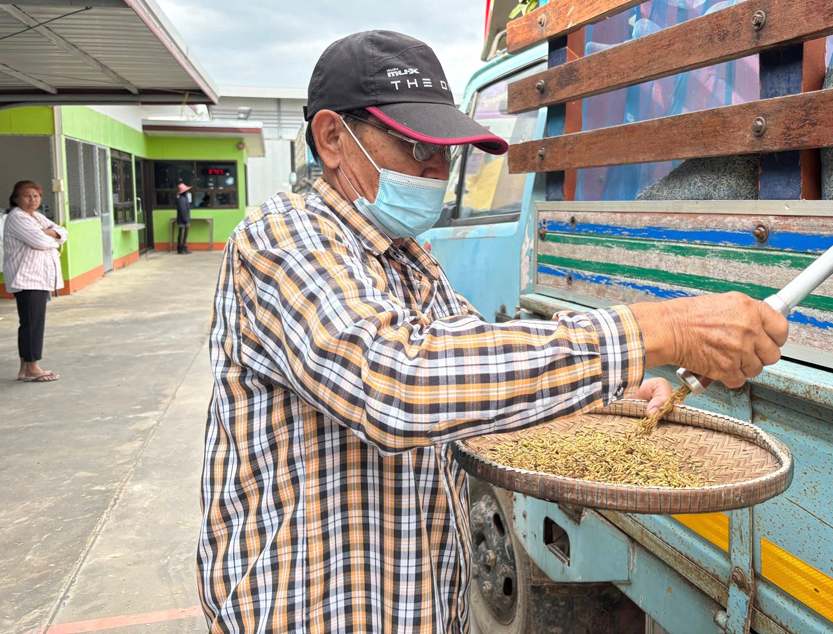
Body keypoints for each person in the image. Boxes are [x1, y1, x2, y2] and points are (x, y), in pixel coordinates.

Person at [197, 31, 788, 633]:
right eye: (412, 147)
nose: (434, 171)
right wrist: (657, 328)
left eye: (444, 153)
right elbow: (398, 381)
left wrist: (614, 398)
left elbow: (480, 377)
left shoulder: (408, 260)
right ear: (332, 138)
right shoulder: (279, 240)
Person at [3, 181, 67, 383]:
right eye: (27, 196)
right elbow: (39, 242)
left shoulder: (36, 216)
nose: (33, 199)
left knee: (30, 323)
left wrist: (51, 234)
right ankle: (33, 368)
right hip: (28, 277)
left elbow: (63, 233)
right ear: (16, 199)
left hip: (39, 277)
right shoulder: (17, 218)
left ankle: (25, 368)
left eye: (36, 196)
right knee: (33, 324)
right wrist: (50, 236)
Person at [176, 182, 192, 254]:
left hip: (183, 221)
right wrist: (186, 221)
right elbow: (183, 211)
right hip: (182, 221)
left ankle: (184, 248)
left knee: (184, 234)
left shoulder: (183, 199)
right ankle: (181, 249)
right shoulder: (182, 199)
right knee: (182, 235)